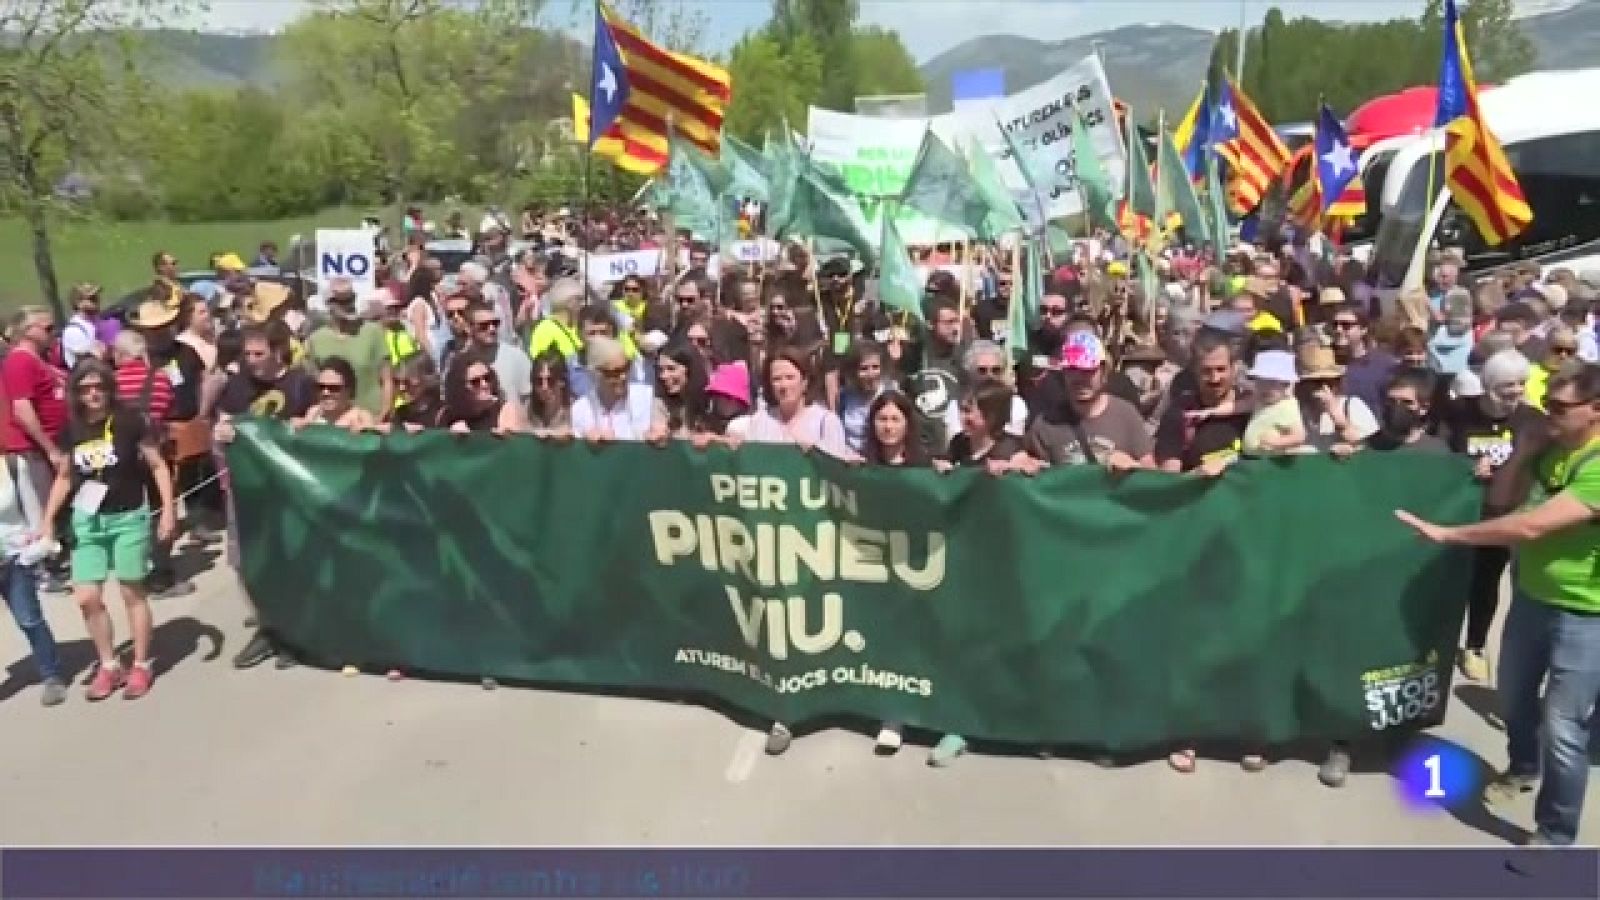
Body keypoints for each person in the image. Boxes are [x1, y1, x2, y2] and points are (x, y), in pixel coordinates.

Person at [1396, 363, 1600, 846]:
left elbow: (1530, 527)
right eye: (1546, 403)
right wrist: (1526, 450)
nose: (1546, 414)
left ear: (1595, 411)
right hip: (1532, 596)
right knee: (1512, 696)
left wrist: (1448, 534)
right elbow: (1505, 501)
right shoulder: (1550, 447)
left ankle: (1555, 835)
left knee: (1564, 728)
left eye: (1559, 408)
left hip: (1585, 615)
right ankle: (1524, 768)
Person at [40, 359, 177, 701]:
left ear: (109, 388)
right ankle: (109, 664)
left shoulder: (130, 422)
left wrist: (168, 512)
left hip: (128, 516)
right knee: (87, 598)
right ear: (76, 393)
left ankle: (142, 664)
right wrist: (47, 522)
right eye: (85, 389)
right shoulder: (72, 429)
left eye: (99, 387)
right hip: (88, 520)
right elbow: (65, 478)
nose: (93, 394)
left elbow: (159, 466)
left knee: (132, 592)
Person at [1440, 350, 1544, 682]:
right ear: (1487, 386)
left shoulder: (1532, 419)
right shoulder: (1459, 413)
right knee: (1447, 582)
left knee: (1485, 584)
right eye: (1507, 386)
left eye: (1521, 384)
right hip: (1459, 512)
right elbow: (1437, 451)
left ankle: (1474, 645)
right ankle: (1437, 641)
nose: (1516, 392)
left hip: (1502, 516)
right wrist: (1464, 467)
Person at [1018, 332, 1151, 472]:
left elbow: (1153, 475)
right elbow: (1030, 480)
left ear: (1104, 372)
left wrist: (1134, 467)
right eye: (1072, 370)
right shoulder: (1044, 425)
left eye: (1088, 370)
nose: (1079, 378)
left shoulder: (1126, 415)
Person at [0, 433, 64, 706]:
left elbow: (35, 516)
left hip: (13, 558)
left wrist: (35, 551)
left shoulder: (13, 466)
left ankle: (52, 674)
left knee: (29, 619)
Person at [303, 278, 393, 419]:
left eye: (350, 299)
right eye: (341, 302)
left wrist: (383, 414)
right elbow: (316, 385)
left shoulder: (373, 332)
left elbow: (387, 380)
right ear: (329, 304)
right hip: (333, 424)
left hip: (371, 418)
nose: (348, 305)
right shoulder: (316, 339)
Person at [570, 337, 663, 442]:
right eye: (614, 373)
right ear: (594, 373)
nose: (623, 376)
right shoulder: (580, 408)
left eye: (626, 368)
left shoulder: (647, 398)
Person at [940, 379, 1025, 471]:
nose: (963, 417)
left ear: (991, 416)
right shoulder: (958, 443)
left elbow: (1032, 469)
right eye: (961, 410)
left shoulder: (1011, 449)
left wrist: (1011, 467)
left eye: (968, 411)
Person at [1366, 369, 1451, 454]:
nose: (1397, 407)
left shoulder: (1436, 451)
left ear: (1423, 408)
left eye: (1407, 402)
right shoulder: (1367, 446)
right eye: (1391, 400)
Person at [443, 354, 530, 435]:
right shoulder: (450, 416)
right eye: (475, 382)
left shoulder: (507, 411)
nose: (484, 384)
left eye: (487, 378)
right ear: (460, 388)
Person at [1242, 350, 1307, 456]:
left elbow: (1299, 436)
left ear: (1285, 384)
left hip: (1272, 462)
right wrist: (1214, 411)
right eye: (1261, 382)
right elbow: (1241, 406)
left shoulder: (1287, 406)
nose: (1265, 388)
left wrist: (1276, 442)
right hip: (1253, 459)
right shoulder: (1261, 401)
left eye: (1272, 383)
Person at [836, 340, 892, 454]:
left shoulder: (891, 395)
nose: (871, 374)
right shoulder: (843, 398)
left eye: (875, 367)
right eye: (864, 369)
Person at [298, 358, 377, 432]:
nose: (325, 392)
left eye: (334, 388)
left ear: (348, 390)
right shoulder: (314, 412)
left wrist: (367, 429)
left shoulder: (360, 416)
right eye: (321, 387)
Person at [654, 342, 708, 438]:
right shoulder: (661, 403)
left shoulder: (710, 402)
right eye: (661, 370)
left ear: (690, 369)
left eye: (671, 369)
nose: (664, 376)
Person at [527, 354, 573, 435]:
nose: (544, 387)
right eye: (539, 381)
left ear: (562, 381)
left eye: (550, 380)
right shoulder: (526, 411)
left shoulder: (575, 412)